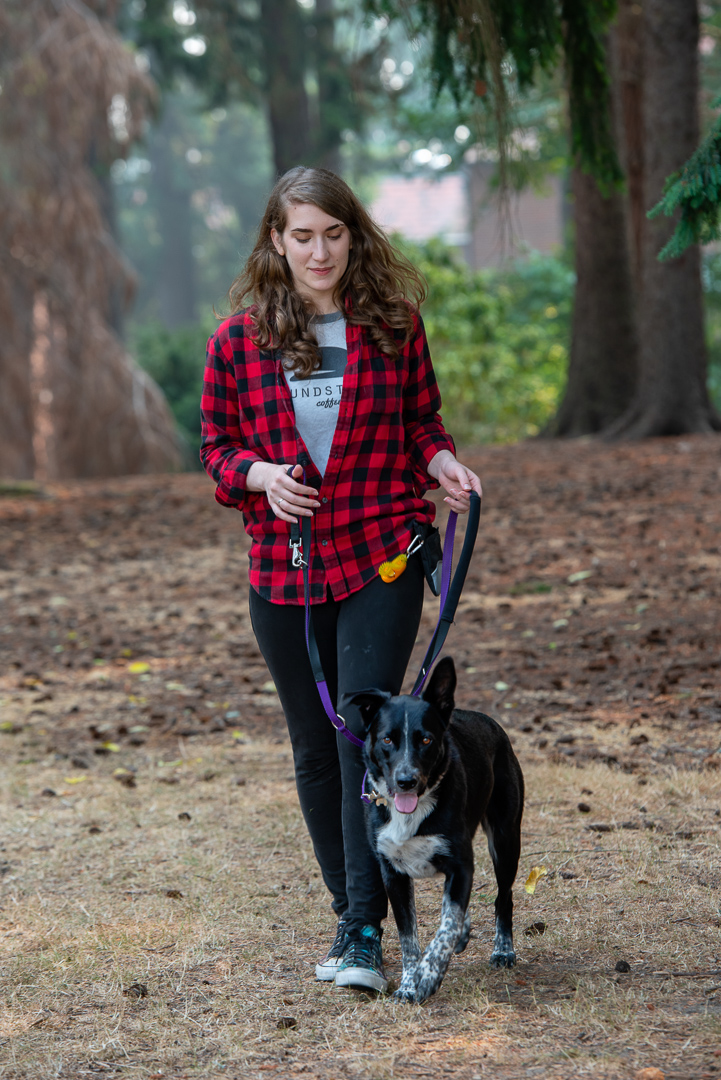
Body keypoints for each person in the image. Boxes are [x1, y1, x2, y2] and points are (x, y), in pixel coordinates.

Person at [200, 166, 482, 993]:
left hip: (381, 554)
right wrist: (258, 476)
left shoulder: (391, 324)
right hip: (281, 571)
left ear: (352, 236)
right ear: (275, 242)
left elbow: (420, 420)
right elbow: (216, 451)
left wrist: (442, 460)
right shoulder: (236, 340)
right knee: (314, 750)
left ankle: (361, 932)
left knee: (363, 737)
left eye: (332, 232)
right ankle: (353, 913)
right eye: (301, 235)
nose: (317, 250)